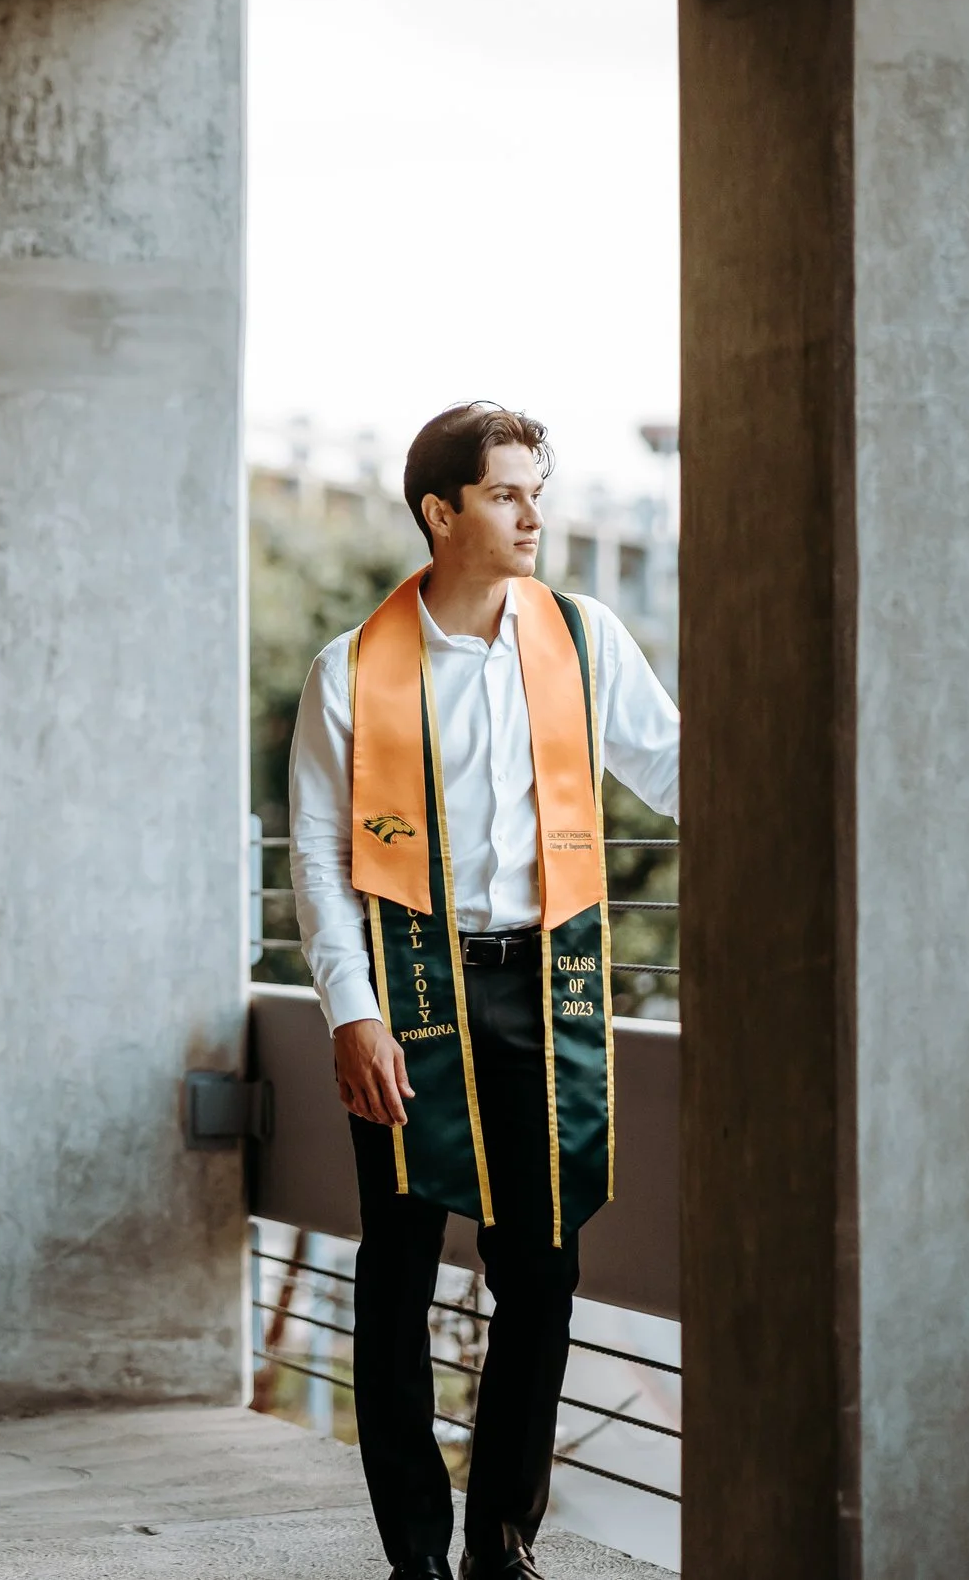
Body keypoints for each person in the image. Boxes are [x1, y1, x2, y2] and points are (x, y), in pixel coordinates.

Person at [288, 402, 679, 1580]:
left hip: (545, 988)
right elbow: (319, 855)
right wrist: (351, 1009)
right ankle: (414, 1552)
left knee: (543, 1272)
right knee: (399, 1272)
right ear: (441, 510)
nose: (531, 514)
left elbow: (673, 767)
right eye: (506, 492)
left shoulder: (581, 638)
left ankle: (500, 1540)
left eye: (534, 491)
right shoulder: (353, 669)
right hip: (412, 991)